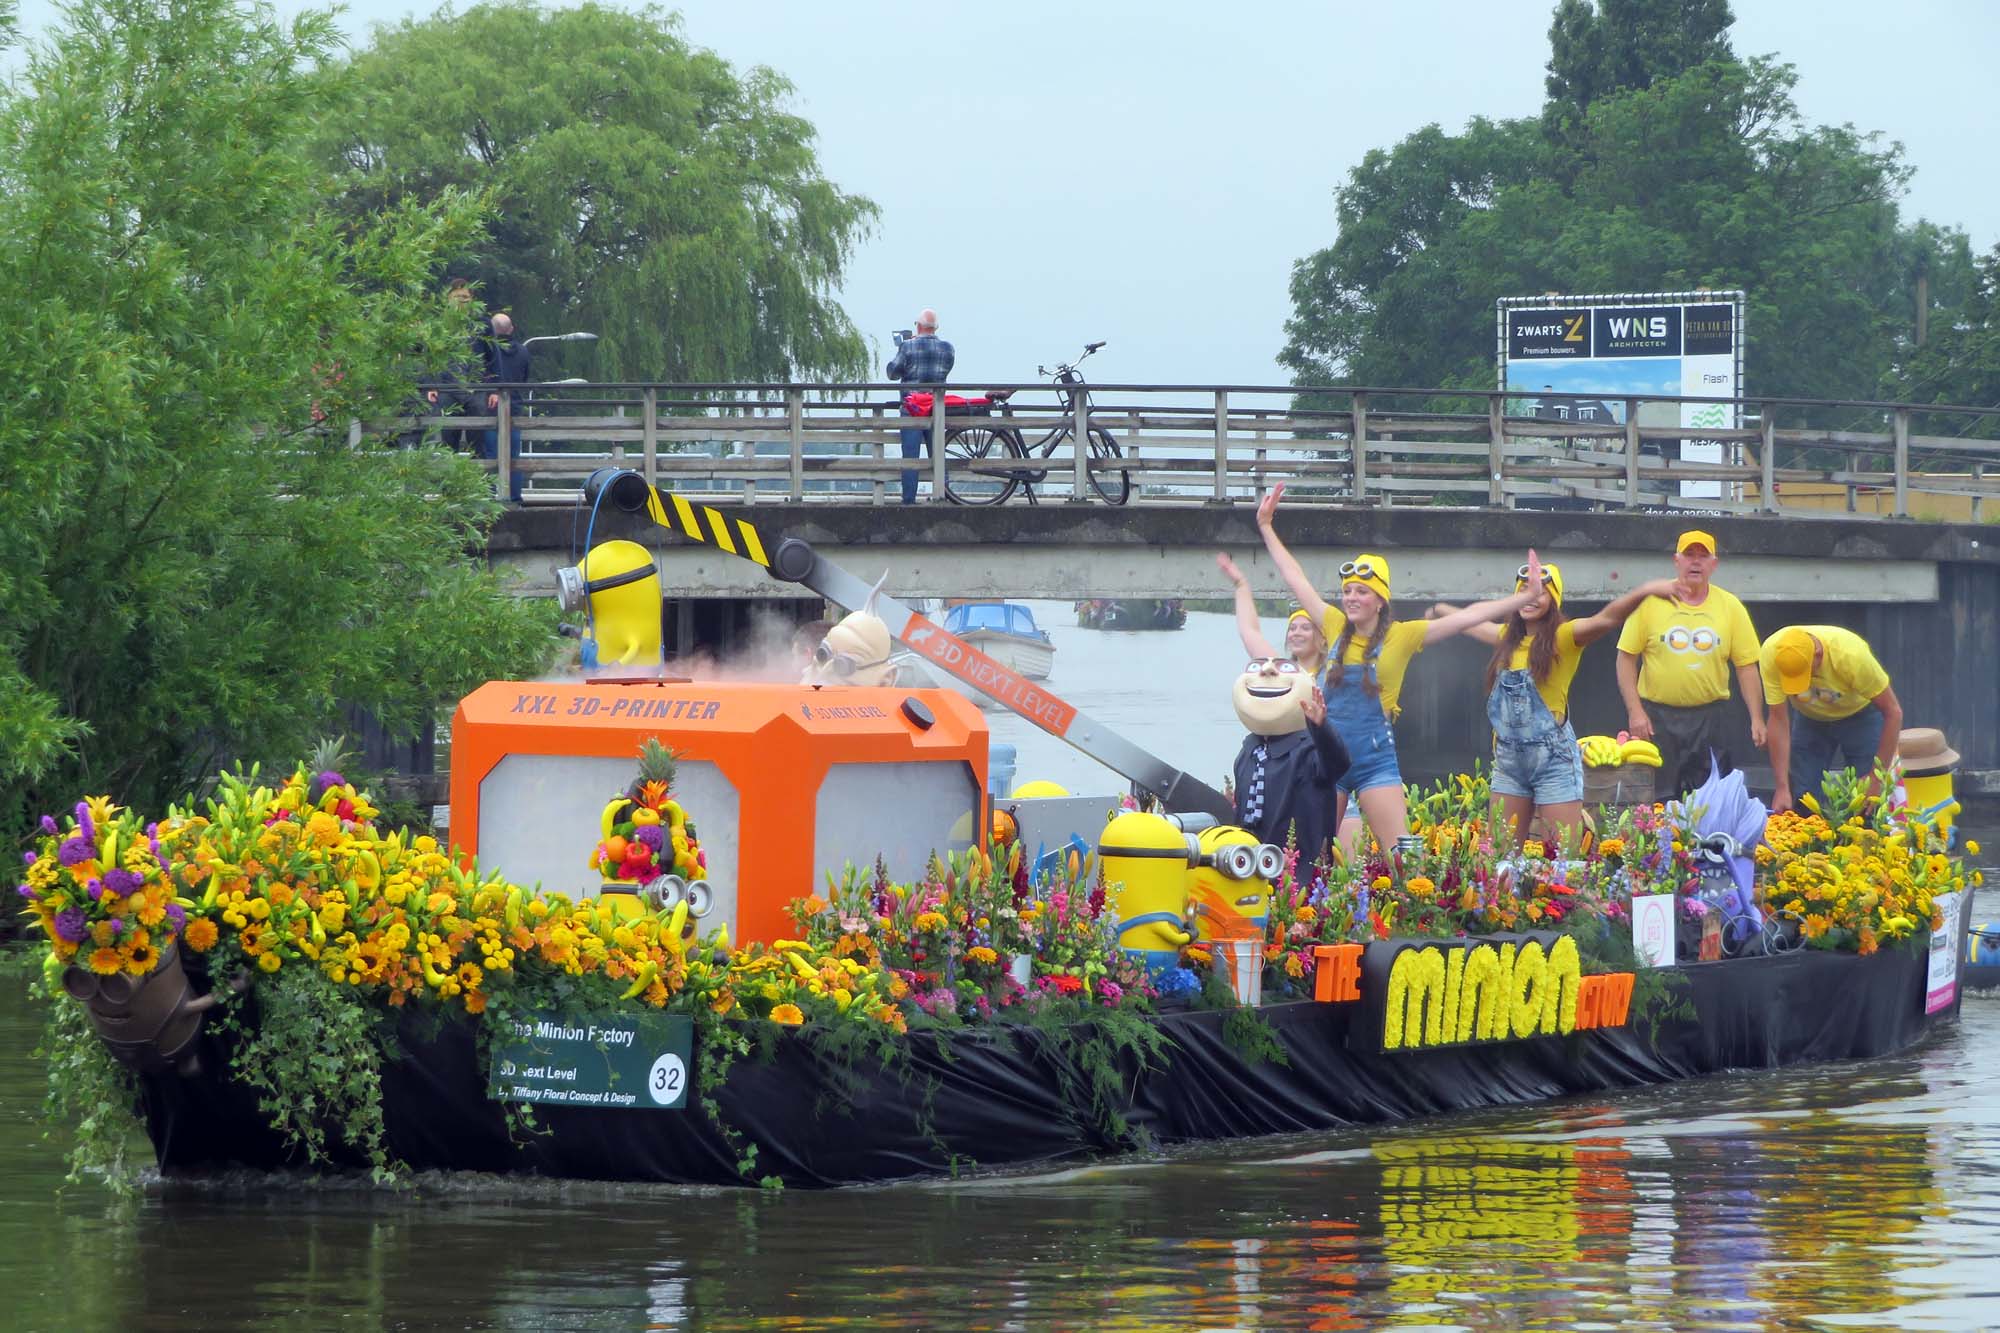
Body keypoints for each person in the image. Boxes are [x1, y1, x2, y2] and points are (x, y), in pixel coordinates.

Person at [1255, 483, 1546, 854]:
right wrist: (1266, 526)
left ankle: (1418, 904)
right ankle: (1312, 913)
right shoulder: (1330, 623)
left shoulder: (1403, 636)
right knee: (1315, 858)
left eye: (1361, 591)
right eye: (1347, 591)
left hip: (1375, 760)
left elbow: (1469, 617)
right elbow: (1295, 578)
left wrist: (1527, 595)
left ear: (1380, 600)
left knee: (1403, 857)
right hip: (1327, 759)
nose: (1351, 598)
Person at [1433, 565, 1681, 850]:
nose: (1531, 598)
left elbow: (1607, 618)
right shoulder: (1506, 639)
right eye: (1524, 591)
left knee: (1563, 860)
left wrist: (1645, 591)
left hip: (1553, 762)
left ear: (1554, 599)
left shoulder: (1565, 637)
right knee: (1498, 860)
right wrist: (1439, 610)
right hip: (1509, 762)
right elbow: (1470, 621)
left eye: (1541, 593)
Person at [1615, 530, 1765, 799]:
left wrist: (1756, 717)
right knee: (1658, 799)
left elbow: (1746, 666)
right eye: (1689, 555)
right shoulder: (1650, 603)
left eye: (1702, 556)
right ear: (1677, 560)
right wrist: (1635, 711)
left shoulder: (1730, 606)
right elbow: (1626, 657)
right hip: (1656, 717)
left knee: (1710, 799)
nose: (1695, 562)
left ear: (1713, 564)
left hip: (1711, 718)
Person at [1760, 625, 1903, 813]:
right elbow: (1778, 719)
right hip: (1810, 720)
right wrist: (1781, 787)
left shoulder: (1851, 655)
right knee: (1804, 799)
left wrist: (1877, 778)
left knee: (1864, 801)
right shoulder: (1772, 653)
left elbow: (1893, 712)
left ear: (1818, 654)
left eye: (1805, 673)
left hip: (1860, 716)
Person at [1228, 658, 1350, 869]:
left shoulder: (1309, 749)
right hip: (1252, 862)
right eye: (1255, 666)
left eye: (1284, 667)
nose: (1267, 670)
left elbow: (1338, 764)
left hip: (1299, 865)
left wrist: (1321, 728)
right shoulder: (1248, 752)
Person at [1215, 552, 1329, 679]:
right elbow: (1250, 631)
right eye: (1292, 628)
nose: (1296, 633)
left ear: (1323, 638)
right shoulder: (1279, 671)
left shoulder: (1333, 675)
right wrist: (1240, 584)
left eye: (1306, 628)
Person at [886, 308, 955, 505]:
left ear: (917, 325)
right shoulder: (947, 348)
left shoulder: (908, 347)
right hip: (936, 408)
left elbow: (893, 373)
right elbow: (946, 369)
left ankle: (908, 500)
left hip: (912, 409)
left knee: (910, 456)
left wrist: (903, 346)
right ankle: (944, 495)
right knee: (938, 453)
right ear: (936, 328)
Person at [478, 312, 533, 502]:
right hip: (515, 409)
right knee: (513, 458)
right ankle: (515, 498)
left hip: (490, 410)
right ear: (511, 329)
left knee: (492, 455)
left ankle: (493, 497)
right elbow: (525, 379)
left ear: (491, 330)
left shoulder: (487, 352)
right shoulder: (524, 352)